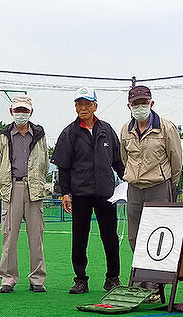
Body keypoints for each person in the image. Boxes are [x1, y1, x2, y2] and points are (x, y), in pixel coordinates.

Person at [52, 87, 125, 294]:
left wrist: (127, 181)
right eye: (79, 104)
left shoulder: (107, 130)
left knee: (110, 237)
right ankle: (80, 279)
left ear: (95, 106)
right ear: (75, 106)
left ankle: (112, 278)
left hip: (106, 194)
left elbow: (118, 161)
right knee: (79, 238)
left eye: (87, 103)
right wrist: (65, 193)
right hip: (81, 194)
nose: (82, 107)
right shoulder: (69, 133)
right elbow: (63, 166)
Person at [0, 94, 48, 293]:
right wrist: (4, 186)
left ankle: (37, 279)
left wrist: (38, 183)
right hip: (12, 188)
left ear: (31, 112)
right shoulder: (2, 135)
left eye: (24, 110)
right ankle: (7, 278)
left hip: (34, 189)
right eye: (18, 110)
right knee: (9, 237)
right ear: (11, 112)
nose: (21, 114)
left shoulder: (39, 135)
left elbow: (45, 163)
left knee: (36, 237)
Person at [120, 85, 182, 250]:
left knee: (159, 233)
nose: (140, 107)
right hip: (134, 188)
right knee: (134, 236)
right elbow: (124, 158)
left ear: (151, 103)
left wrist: (171, 183)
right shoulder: (125, 130)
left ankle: (158, 275)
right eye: (135, 103)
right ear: (129, 106)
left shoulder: (166, 127)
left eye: (143, 102)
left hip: (158, 187)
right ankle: (140, 273)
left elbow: (175, 158)